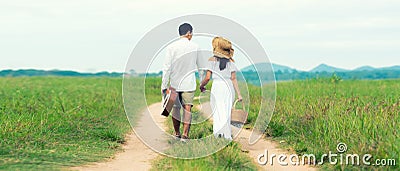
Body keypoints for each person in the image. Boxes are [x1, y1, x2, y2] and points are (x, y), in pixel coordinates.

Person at [161, 23, 199, 141]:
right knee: (188, 108)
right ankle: (185, 135)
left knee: (176, 108)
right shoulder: (195, 46)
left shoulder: (171, 47)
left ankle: (177, 133)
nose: (192, 35)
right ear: (188, 33)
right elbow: (200, 65)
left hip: (175, 83)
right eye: (191, 33)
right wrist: (202, 82)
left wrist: (164, 85)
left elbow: (167, 68)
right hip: (189, 83)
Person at [199, 37, 242, 140]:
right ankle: (227, 135)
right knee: (226, 111)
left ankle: (218, 134)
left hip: (217, 87)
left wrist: (202, 85)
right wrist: (239, 94)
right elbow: (234, 78)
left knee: (217, 110)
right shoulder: (231, 61)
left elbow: (208, 77)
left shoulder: (211, 60)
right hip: (228, 86)